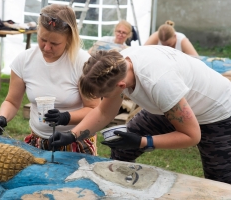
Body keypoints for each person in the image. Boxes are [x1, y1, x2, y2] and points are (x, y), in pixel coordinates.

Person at [48, 46, 231, 184]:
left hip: (218, 112)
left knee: (221, 181)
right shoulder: (116, 66)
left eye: (104, 95)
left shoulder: (159, 83)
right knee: (121, 146)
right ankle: (119, 190)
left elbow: (192, 136)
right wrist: (72, 135)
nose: (104, 99)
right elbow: (104, 112)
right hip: (170, 105)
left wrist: (143, 142)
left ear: (121, 86)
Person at [0, 4, 100, 156]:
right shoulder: (24, 61)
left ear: (69, 38)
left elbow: (95, 109)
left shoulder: (83, 63)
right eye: (42, 39)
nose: (46, 48)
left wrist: (65, 117)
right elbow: (12, 102)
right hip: (38, 142)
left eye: (54, 43)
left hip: (74, 141)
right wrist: (2, 117)